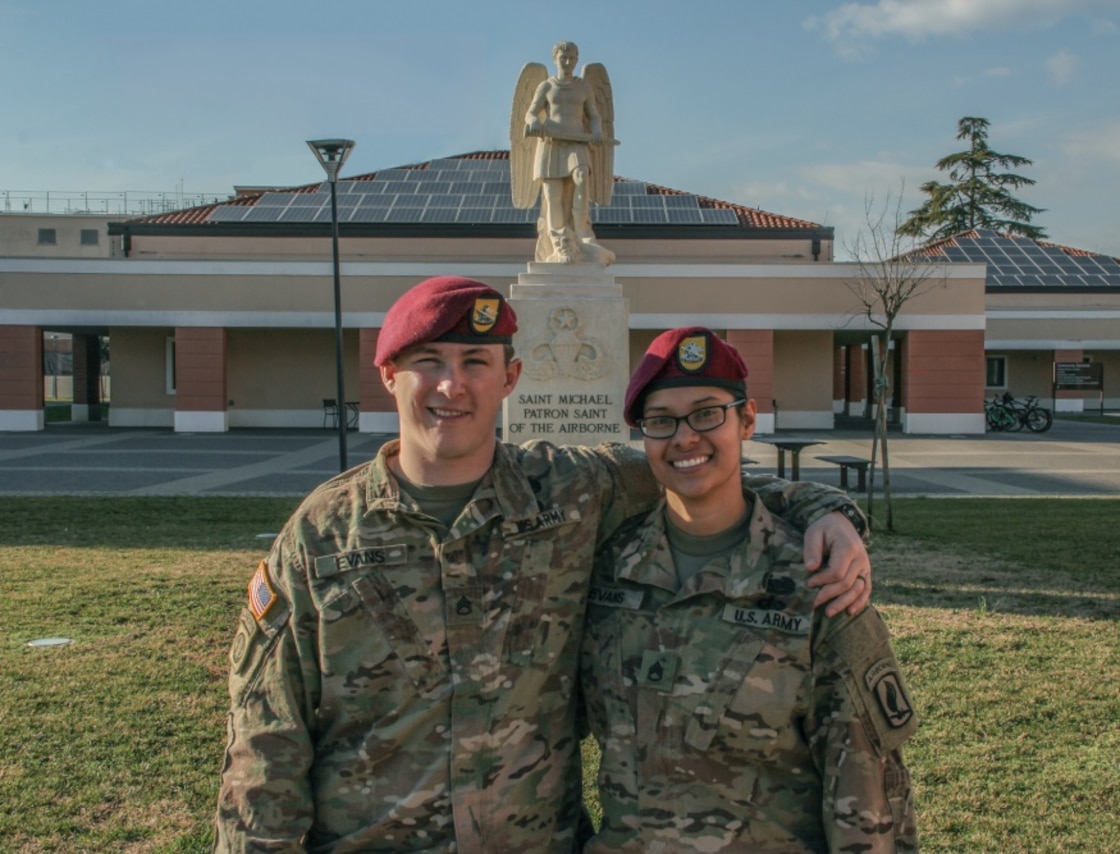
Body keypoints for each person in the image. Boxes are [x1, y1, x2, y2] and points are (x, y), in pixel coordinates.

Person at [214, 276, 872, 852]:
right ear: (388, 374)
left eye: (476, 361)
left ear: (511, 377)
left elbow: (696, 465)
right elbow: (265, 744)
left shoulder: (571, 491)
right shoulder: (322, 536)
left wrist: (826, 509)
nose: (452, 385)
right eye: (428, 362)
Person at [581, 326, 918, 852]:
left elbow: (867, 795)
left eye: (707, 413)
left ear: (748, 420)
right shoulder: (606, 572)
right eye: (661, 421)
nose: (685, 437)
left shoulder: (818, 581)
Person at [511, 40, 615, 265]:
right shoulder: (547, 86)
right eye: (563, 57)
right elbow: (530, 113)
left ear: (576, 60)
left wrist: (597, 131)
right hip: (551, 143)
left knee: (581, 178)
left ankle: (581, 232)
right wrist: (533, 123)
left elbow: (594, 115)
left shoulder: (583, 86)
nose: (567, 62)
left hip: (577, 142)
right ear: (555, 58)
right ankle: (560, 241)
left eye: (571, 58)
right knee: (552, 195)